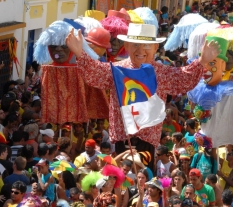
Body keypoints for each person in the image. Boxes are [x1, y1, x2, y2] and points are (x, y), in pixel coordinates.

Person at [66, 22, 221, 163]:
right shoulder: (117, 70)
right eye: (135, 44)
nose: (140, 50)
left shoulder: (162, 72)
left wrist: (202, 61)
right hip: (121, 139)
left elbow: (183, 78)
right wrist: (80, 53)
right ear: (126, 45)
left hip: (147, 141)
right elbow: (95, 73)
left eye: (146, 46)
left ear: (155, 48)